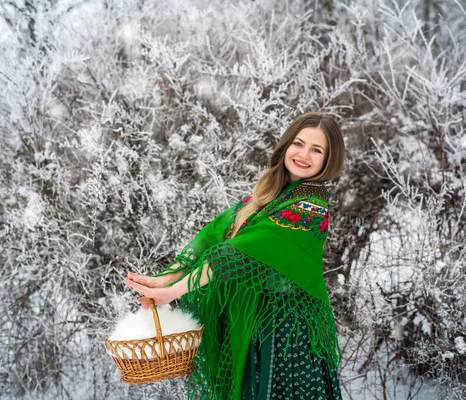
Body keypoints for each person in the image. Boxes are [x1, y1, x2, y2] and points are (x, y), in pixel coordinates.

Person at [125, 112, 346, 400]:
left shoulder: (309, 207)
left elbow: (237, 253)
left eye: (316, 150)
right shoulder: (271, 193)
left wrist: (175, 291)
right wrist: (167, 277)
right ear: (286, 145)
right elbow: (216, 233)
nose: (304, 154)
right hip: (253, 319)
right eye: (299, 143)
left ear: (329, 159)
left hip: (283, 332)